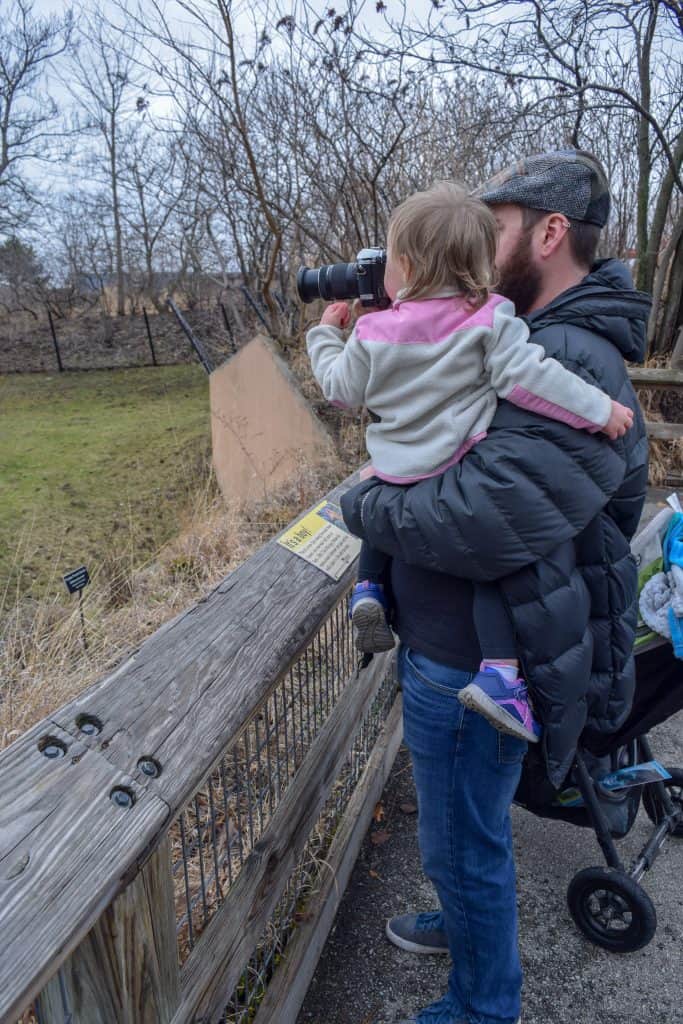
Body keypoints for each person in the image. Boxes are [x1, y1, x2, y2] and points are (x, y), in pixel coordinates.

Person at [339, 150, 650, 1024]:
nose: (474, 241)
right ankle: (464, 920)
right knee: (460, 831)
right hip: (462, 643)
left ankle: (483, 1005)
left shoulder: (568, 355)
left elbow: (477, 518)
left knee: (462, 837)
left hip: (479, 660)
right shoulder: (508, 333)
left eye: (494, 224)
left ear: (550, 233)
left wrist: (359, 502)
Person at [306, 181, 633, 747]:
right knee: (493, 567)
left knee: (382, 491)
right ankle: (500, 674)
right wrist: (601, 410)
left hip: (395, 468)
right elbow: (534, 380)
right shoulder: (489, 319)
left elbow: (339, 389)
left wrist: (324, 336)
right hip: (454, 460)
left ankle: (368, 590)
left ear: (403, 265)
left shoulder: (374, 332)